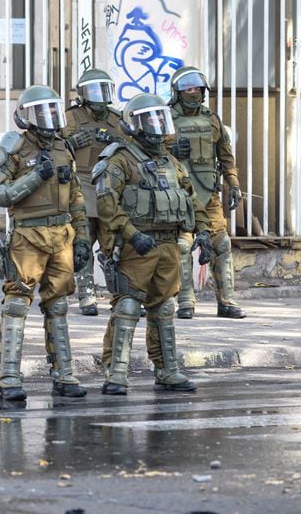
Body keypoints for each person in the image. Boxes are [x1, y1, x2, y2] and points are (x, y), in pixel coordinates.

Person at [92, 92, 214, 395]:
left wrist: (203, 232)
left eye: (161, 119)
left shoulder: (171, 161)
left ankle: (167, 369)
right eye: (150, 120)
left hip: (168, 245)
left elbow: (191, 198)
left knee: (163, 308)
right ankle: (116, 372)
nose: (157, 125)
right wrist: (132, 234)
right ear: (134, 125)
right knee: (129, 304)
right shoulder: (119, 159)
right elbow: (107, 205)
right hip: (136, 246)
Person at [0, 84, 92, 402]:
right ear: (26, 116)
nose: (48, 117)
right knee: (17, 304)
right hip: (27, 237)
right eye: (41, 111)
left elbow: (75, 197)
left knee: (58, 306)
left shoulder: (63, 147)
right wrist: (34, 177)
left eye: (52, 110)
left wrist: (83, 238)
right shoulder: (13, 147)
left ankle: (63, 374)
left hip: (61, 236)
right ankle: (8, 377)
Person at [167, 66, 246, 319]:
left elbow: (226, 156)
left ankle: (227, 301)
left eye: (197, 89)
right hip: (178, 195)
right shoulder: (166, 119)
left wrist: (233, 183)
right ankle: (186, 302)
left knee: (221, 244)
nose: (193, 93)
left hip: (208, 194)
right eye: (188, 89)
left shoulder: (212, 119)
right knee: (182, 246)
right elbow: (149, 154)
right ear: (178, 92)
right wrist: (170, 153)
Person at [62, 68, 124, 316]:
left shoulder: (116, 118)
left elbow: (132, 147)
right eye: (94, 91)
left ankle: (120, 294)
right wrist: (73, 142)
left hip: (109, 186)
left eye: (103, 90)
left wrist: (115, 140)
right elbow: (55, 144)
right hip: (82, 184)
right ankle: (86, 294)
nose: (100, 97)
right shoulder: (72, 117)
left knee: (114, 243)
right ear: (84, 94)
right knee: (83, 242)